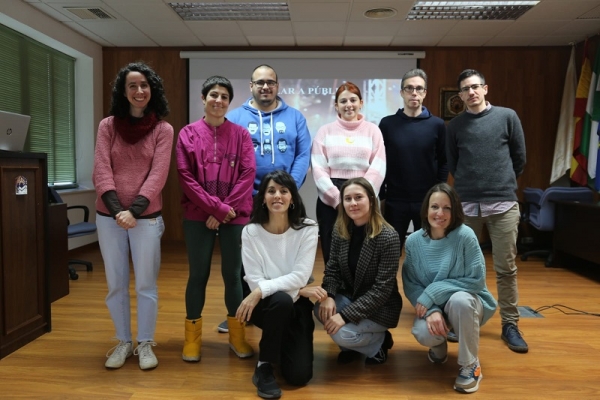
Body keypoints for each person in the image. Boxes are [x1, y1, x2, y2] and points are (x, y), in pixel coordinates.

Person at [219, 64, 312, 334]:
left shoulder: (295, 117)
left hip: (284, 199)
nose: (265, 87)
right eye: (259, 82)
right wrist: (248, 195)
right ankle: (241, 312)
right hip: (245, 199)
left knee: (287, 253)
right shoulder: (235, 117)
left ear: (277, 85)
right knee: (243, 262)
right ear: (251, 86)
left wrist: (286, 190)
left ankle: (287, 304)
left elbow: (303, 154)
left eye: (270, 82)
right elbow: (230, 160)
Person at [93, 62, 173, 370]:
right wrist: (117, 210)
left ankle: (145, 343)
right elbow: (101, 168)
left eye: (144, 85)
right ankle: (124, 341)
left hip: (146, 217)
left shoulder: (163, 129)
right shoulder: (108, 126)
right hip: (109, 217)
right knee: (115, 283)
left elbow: (158, 174)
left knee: (146, 285)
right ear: (123, 92)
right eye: (132, 86)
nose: (139, 91)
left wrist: (134, 210)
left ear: (152, 90)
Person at [446, 69, 527, 353]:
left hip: (503, 205)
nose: (471, 92)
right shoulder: (455, 126)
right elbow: (453, 164)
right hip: (467, 207)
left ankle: (510, 324)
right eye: (465, 89)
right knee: (464, 269)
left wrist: (498, 185)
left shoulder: (507, 117)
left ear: (485, 89)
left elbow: (519, 158)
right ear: (460, 96)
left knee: (506, 269)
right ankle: (463, 319)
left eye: (475, 87)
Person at [176, 76, 256, 362]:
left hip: (235, 215)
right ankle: (192, 340)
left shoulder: (241, 134)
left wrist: (223, 211)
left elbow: (247, 174)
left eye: (224, 96)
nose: (218, 100)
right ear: (203, 98)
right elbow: (186, 177)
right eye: (213, 94)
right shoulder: (187, 133)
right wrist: (215, 209)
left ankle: (237, 336)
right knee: (198, 275)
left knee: (233, 276)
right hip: (198, 216)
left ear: (229, 102)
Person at [236, 170, 324, 399]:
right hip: (265, 305)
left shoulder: (308, 228)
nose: (278, 196)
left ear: (293, 197)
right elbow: (255, 281)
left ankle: (280, 340)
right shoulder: (251, 232)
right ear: (263, 197)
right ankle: (263, 367)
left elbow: (300, 276)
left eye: (284, 191)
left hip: (292, 305)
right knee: (282, 300)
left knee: (299, 376)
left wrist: (268, 288)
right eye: (271, 191)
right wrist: (298, 289)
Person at [402, 183, 497, 394]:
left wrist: (433, 292)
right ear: (426, 209)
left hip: (469, 303)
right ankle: (438, 345)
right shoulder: (414, 241)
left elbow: (477, 280)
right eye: (435, 206)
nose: (440, 213)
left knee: (459, 300)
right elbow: (411, 284)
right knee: (422, 331)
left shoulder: (466, 236)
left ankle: (471, 365)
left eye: (447, 208)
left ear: (455, 211)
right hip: (436, 306)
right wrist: (433, 310)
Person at [315, 177, 402, 365]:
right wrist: (329, 295)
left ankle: (378, 344)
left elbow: (381, 291)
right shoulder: (340, 229)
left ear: (371, 200)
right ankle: (353, 347)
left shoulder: (388, 236)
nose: (353, 203)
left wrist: (344, 316)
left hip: (380, 307)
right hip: (350, 297)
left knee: (341, 332)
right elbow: (332, 270)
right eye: (347, 199)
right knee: (321, 309)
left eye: (358, 197)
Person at [311, 82, 386, 265]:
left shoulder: (373, 130)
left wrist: (363, 197)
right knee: (332, 251)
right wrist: (338, 200)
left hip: (364, 196)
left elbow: (379, 166)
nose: (348, 105)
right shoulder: (324, 131)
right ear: (336, 105)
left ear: (361, 103)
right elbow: (318, 168)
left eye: (353, 100)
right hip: (331, 200)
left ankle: (360, 292)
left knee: (363, 250)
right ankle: (333, 291)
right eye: (343, 101)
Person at [379, 68, 447, 254]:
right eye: (409, 88)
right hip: (395, 200)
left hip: (426, 201)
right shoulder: (387, 124)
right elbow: (381, 161)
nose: (414, 92)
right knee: (390, 254)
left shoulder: (437, 125)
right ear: (402, 92)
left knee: (426, 253)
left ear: (425, 93)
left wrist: (438, 192)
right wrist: (382, 196)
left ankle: (425, 285)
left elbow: (443, 160)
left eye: (419, 88)